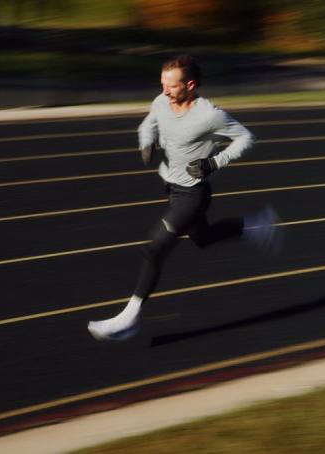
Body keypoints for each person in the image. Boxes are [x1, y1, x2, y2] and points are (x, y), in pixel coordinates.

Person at [87, 54, 281, 341]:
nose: (164, 91)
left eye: (172, 86)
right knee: (202, 239)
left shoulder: (209, 115)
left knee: (154, 249)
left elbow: (246, 138)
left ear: (190, 85)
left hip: (193, 193)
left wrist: (214, 162)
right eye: (162, 84)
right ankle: (253, 226)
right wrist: (146, 142)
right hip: (171, 187)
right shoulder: (160, 101)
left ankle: (129, 320)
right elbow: (148, 123)